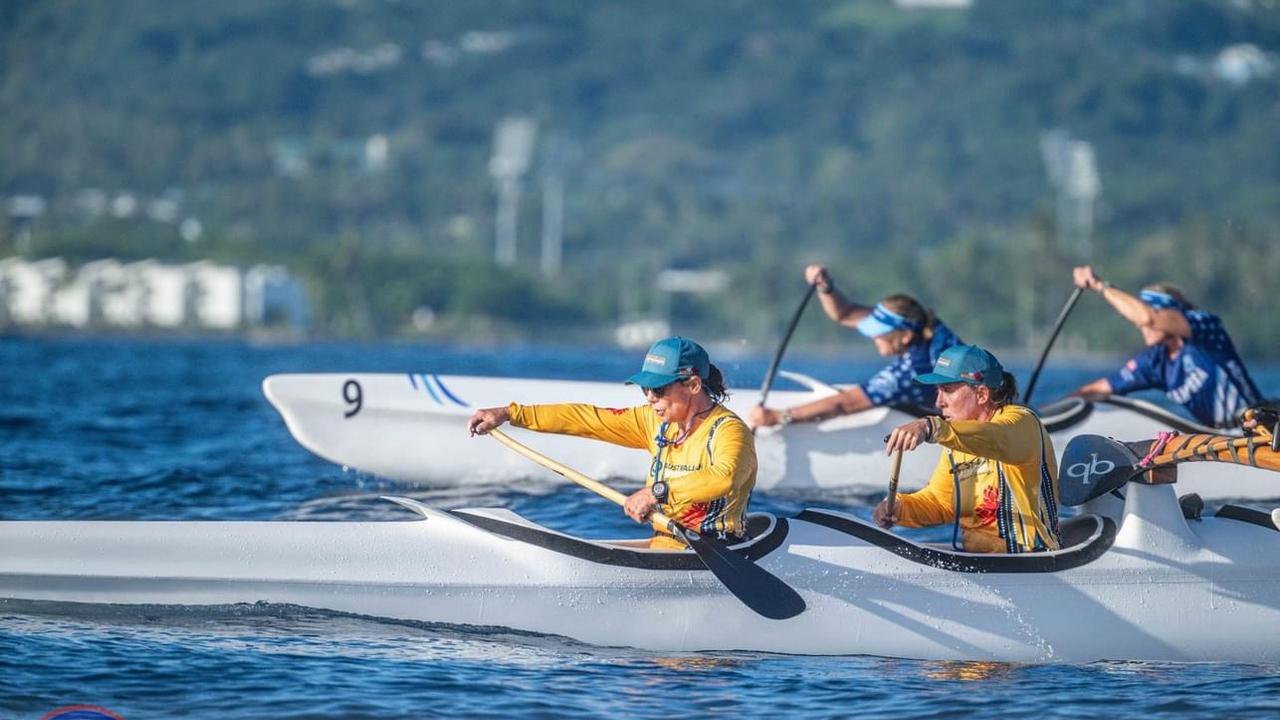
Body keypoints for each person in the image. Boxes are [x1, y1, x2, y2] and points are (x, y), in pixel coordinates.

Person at [466, 336, 757, 550]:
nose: (650, 398)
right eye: (645, 388)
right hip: (665, 543)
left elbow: (725, 477)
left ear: (693, 385)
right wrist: (509, 413)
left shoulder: (728, 431)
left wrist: (656, 492)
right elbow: (586, 418)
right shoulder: (654, 422)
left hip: (716, 551)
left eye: (658, 389)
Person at [872, 345, 1061, 554]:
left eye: (948, 390)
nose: (938, 402)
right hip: (981, 559)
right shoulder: (957, 441)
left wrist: (929, 427)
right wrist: (899, 508)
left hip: (1028, 560)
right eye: (937, 391)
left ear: (981, 394)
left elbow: (994, 438)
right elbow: (941, 503)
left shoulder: (1022, 422)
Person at [750, 264, 963, 428]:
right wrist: (826, 287)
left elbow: (843, 404)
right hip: (952, 405)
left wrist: (778, 416)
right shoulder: (926, 326)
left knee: (871, 395)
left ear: (905, 336)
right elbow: (845, 313)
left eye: (879, 333)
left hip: (972, 427)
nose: (874, 337)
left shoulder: (913, 371)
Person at [1069, 265, 1264, 429]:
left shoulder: (1205, 327)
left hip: (1260, 426)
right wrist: (1044, 420)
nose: (1139, 324)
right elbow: (1097, 390)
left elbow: (1146, 317)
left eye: (1145, 312)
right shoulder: (1155, 362)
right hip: (1222, 439)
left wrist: (1099, 285)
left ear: (1171, 313)